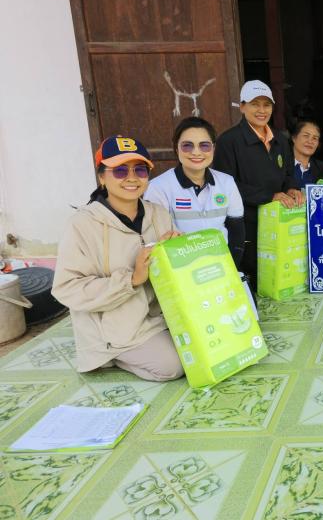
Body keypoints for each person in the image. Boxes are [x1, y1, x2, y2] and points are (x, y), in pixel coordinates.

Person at [52, 136, 184, 382]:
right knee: (173, 366)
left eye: (140, 170)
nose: (132, 178)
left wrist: (175, 250)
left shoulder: (158, 214)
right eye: (120, 171)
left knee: (211, 342)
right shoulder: (82, 224)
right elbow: (66, 288)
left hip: (160, 317)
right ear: (102, 177)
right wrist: (132, 279)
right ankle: (108, 355)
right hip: (118, 329)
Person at [213, 80, 304, 284]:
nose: (262, 110)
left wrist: (292, 188)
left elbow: (288, 173)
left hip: (278, 223)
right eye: (255, 104)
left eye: (267, 105)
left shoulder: (280, 139)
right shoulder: (229, 141)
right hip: (246, 225)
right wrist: (269, 196)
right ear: (242, 106)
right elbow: (225, 186)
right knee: (253, 278)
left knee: (278, 276)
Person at [145, 117, 245, 266]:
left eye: (204, 146)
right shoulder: (158, 187)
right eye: (187, 146)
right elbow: (156, 240)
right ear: (176, 148)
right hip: (180, 269)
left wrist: (231, 266)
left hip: (222, 266)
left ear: (213, 148)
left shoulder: (227, 182)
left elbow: (236, 232)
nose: (196, 152)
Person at [292, 120, 323, 186]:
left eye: (315, 138)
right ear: (294, 138)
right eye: (306, 136)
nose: (310, 141)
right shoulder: (282, 166)